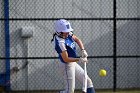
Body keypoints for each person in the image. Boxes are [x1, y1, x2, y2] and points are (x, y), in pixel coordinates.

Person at [51, 19, 95, 93]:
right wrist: (79, 59)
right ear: (59, 32)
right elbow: (66, 59)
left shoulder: (67, 34)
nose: (68, 33)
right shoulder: (60, 42)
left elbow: (77, 39)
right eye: (66, 32)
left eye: (68, 31)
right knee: (70, 91)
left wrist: (83, 50)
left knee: (88, 82)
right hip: (66, 65)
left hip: (72, 62)